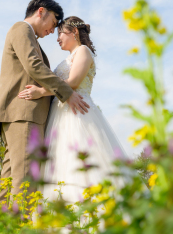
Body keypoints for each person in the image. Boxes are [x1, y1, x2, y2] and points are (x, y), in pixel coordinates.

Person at [18, 16, 129, 203]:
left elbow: (74, 83)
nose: (57, 37)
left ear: (74, 32)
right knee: (61, 163)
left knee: (81, 161)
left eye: (60, 32)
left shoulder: (83, 51)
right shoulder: (68, 58)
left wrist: (40, 92)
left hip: (78, 114)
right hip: (59, 115)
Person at [0, 0, 89, 200]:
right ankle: (20, 230)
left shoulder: (29, 36)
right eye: (54, 23)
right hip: (24, 113)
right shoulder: (21, 29)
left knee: (8, 182)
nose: (53, 31)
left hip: (22, 115)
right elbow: (34, 66)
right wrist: (67, 93)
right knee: (25, 182)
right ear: (41, 11)